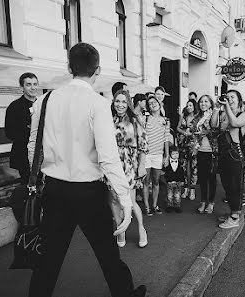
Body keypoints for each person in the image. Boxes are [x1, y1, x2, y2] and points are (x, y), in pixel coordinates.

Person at [27, 43, 146, 297]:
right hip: (89, 192)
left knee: (48, 259)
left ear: (69, 67)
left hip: (55, 189)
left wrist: (37, 179)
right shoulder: (98, 104)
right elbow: (108, 158)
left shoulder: (44, 101)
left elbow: (32, 148)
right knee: (107, 254)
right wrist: (125, 199)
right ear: (98, 70)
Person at [109, 90, 148, 248]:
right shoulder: (107, 120)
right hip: (111, 165)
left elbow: (143, 145)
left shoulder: (135, 120)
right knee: (114, 200)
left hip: (130, 165)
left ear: (129, 104)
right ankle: (121, 230)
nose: (120, 104)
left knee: (130, 201)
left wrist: (142, 166)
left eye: (124, 102)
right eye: (117, 101)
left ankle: (141, 229)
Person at [211, 90, 245, 228]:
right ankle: (232, 212)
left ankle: (235, 217)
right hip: (223, 153)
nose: (229, 99)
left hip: (235, 154)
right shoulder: (224, 113)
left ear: (239, 100)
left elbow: (234, 123)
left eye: (232, 97)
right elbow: (214, 125)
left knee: (235, 186)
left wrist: (226, 106)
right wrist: (216, 108)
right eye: (227, 97)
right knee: (227, 186)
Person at [4, 72, 38, 184]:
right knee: (29, 185)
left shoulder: (41, 104)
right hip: (23, 155)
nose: (33, 88)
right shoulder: (14, 107)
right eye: (28, 84)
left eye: (35, 84)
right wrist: (29, 130)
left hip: (41, 154)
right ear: (22, 87)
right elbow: (9, 133)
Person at [143, 95, 171, 216]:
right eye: (150, 103)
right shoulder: (145, 118)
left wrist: (167, 155)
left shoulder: (165, 120)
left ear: (160, 104)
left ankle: (154, 205)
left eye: (154, 102)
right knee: (145, 181)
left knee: (156, 181)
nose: (152, 104)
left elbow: (166, 138)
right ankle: (147, 206)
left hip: (158, 154)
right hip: (146, 154)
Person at [194, 95, 218, 214]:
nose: (203, 104)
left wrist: (205, 131)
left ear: (210, 103)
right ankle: (203, 201)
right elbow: (193, 129)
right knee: (202, 178)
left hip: (212, 151)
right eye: (201, 102)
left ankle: (211, 202)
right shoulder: (197, 117)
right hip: (200, 150)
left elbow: (215, 131)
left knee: (212, 178)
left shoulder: (214, 114)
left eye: (206, 101)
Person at [176, 99, 199, 200]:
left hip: (194, 144)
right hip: (183, 144)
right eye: (188, 105)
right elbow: (177, 128)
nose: (189, 107)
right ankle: (186, 188)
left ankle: (192, 189)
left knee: (194, 167)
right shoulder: (183, 116)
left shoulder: (198, 117)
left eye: (191, 105)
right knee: (185, 167)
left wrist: (193, 131)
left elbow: (201, 130)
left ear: (194, 106)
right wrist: (185, 133)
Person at [162, 146, 185, 213]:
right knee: (169, 195)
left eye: (177, 154)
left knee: (177, 195)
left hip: (178, 182)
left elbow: (182, 173)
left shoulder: (180, 163)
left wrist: (183, 180)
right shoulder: (167, 163)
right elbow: (164, 171)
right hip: (169, 182)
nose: (175, 156)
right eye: (173, 154)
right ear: (170, 154)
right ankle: (169, 206)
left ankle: (177, 206)